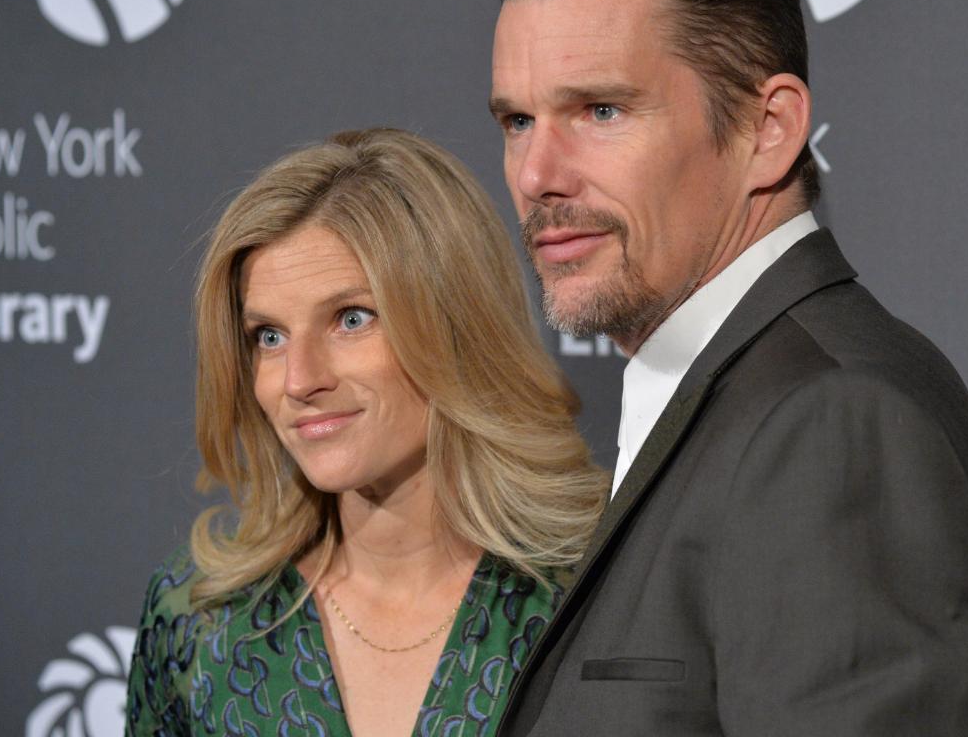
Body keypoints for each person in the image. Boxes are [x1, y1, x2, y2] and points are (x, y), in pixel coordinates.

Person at [487, 0, 968, 735]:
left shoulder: (829, 425)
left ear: (768, 129)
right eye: (518, 120)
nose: (536, 175)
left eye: (599, 110)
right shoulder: (745, 395)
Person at [125, 128, 609, 736]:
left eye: (351, 320)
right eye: (268, 337)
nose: (299, 379)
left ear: (457, 324)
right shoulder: (200, 619)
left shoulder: (599, 589)